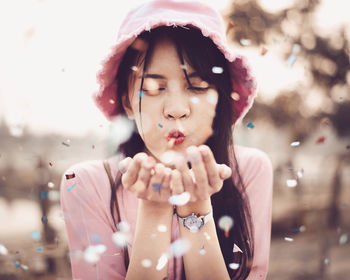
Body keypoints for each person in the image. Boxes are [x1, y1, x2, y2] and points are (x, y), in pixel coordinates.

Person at [60, 0, 273, 279]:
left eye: (197, 86)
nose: (176, 109)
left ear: (219, 99)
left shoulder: (249, 170)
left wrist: (196, 210)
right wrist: (154, 208)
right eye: (153, 88)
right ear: (126, 101)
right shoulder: (85, 184)